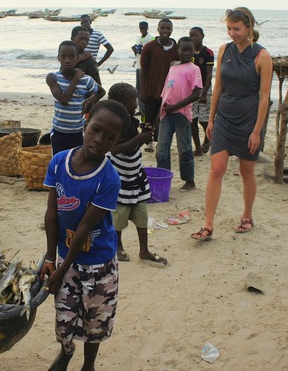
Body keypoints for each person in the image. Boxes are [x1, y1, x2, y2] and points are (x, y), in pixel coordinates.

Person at [40, 99, 132, 371]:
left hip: (99, 264)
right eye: (95, 129)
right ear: (85, 123)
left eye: (109, 137)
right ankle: (66, 352)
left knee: (96, 319)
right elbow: (51, 215)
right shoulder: (59, 163)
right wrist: (49, 259)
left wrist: (61, 268)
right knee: (64, 315)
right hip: (65, 259)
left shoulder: (109, 178)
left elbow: (84, 229)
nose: (99, 139)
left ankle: (88, 364)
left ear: (116, 142)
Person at [192, 7, 272, 241]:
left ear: (249, 28)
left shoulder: (262, 56)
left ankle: (247, 216)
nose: (232, 33)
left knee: (247, 171)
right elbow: (218, 87)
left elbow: (264, 97)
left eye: (236, 29)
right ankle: (208, 225)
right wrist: (211, 119)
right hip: (225, 117)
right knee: (216, 169)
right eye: (228, 28)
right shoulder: (223, 50)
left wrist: (257, 131)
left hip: (249, 119)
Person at [106, 83, 167, 265]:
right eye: (133, 101)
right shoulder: (114, 124)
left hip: (135, 176)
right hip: (120, 178)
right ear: (122, 104)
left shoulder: (132, 121)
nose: (136, 105)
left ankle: (144, 250)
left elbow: (132, 149)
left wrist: (144, 134)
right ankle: (118, 247)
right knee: (118, 217)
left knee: (142, 215)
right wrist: (139, 138)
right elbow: (115, 149)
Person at [156, 37, 202, 193]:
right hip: (166, 113)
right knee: (162, 149)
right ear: (178, 51)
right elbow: (166, 91)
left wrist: (175, 107)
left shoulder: (194, 69)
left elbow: (196, 93)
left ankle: (189, 181)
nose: (187, 53)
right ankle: (163, 180)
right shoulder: (173, 67)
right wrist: (160, 112)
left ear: (194, 51)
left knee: (185, 149)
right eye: (184, 50)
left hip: (182, 114)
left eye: (190, 50)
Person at [46, 41, 105, 156]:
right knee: (59, 162)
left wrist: (88, 101)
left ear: (77, 58)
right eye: (63, 56)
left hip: (77, 132)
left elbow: (101, 91)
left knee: (76, 162)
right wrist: (76, 78)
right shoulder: (53, 78)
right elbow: (63, 100)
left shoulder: (86, 80)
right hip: (59, 132)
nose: (67, 60)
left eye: (71, 57)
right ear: (58, 58)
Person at [139, 19, 179, 148]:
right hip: (152, 90)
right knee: (148, 116)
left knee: (163, 119)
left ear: (172, 30)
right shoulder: (149, 47)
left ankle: (159, 141)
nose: (165, 31)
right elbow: (143, 70)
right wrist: (143, 90)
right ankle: (147, 141)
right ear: (158, 29)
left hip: (168, 92)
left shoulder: (177, 48)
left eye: (168, 28)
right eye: (163, 28)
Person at [190, 27, 215, 156]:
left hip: (204, 88)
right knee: (192, 119)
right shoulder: (189, 52)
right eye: (191, 36)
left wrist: (204, 92)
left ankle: (208, 139)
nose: (193, 38)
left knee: (204, 119)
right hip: (191, 89)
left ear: (202, 36)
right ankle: (198, 147)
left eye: (196, 35)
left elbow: (209, 74)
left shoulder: (208, 53)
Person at [132, 21, 153, 117]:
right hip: (138, 66)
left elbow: (150, 53)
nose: (142, 30)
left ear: (147, 28)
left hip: (146, 67)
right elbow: (137, 54)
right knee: (138, 88)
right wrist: (135, 50)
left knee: (144, 87)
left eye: (144, 28)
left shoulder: (150, 38)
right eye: (141, 28)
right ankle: (141, 108)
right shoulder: (138, 38)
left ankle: (145, 108)